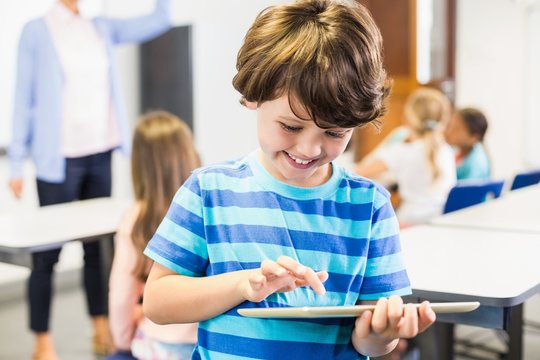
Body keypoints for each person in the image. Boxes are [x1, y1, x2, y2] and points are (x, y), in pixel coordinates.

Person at [142, 1, 436, 359]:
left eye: (334, 132)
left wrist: (383, 333)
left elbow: (370, 341)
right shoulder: (209, 191)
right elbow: (158, 302)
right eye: (291, 126)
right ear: (253, 96)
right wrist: (242, 284)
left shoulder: (369, 206)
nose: (309, 148)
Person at [7, 1, 172, 359]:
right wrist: (16, 162)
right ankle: (43, 341)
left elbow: (161, 19)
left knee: (97, 250)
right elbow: (23, 96)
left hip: (99, 153)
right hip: (58, 159)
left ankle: (101, 326)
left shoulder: (101, 26)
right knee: (46, 255)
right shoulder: (37, 30)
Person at [107, 111, 200, 360]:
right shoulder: (207, 206)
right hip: (208, 343)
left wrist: (122, 340)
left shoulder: (136, 219)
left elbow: (121, 296)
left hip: (160, 346)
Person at [356, 87, 457, 226]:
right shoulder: (446, 151)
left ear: (408, 118)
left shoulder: (402, 150)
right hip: (440, 221)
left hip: (408, 223)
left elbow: (358, 173)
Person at [444, 107, 491, 181]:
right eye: (450, 125)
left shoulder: (476, 164)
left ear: (473, 138)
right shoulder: (455, 149)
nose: (448, 132)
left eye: (456, 129)